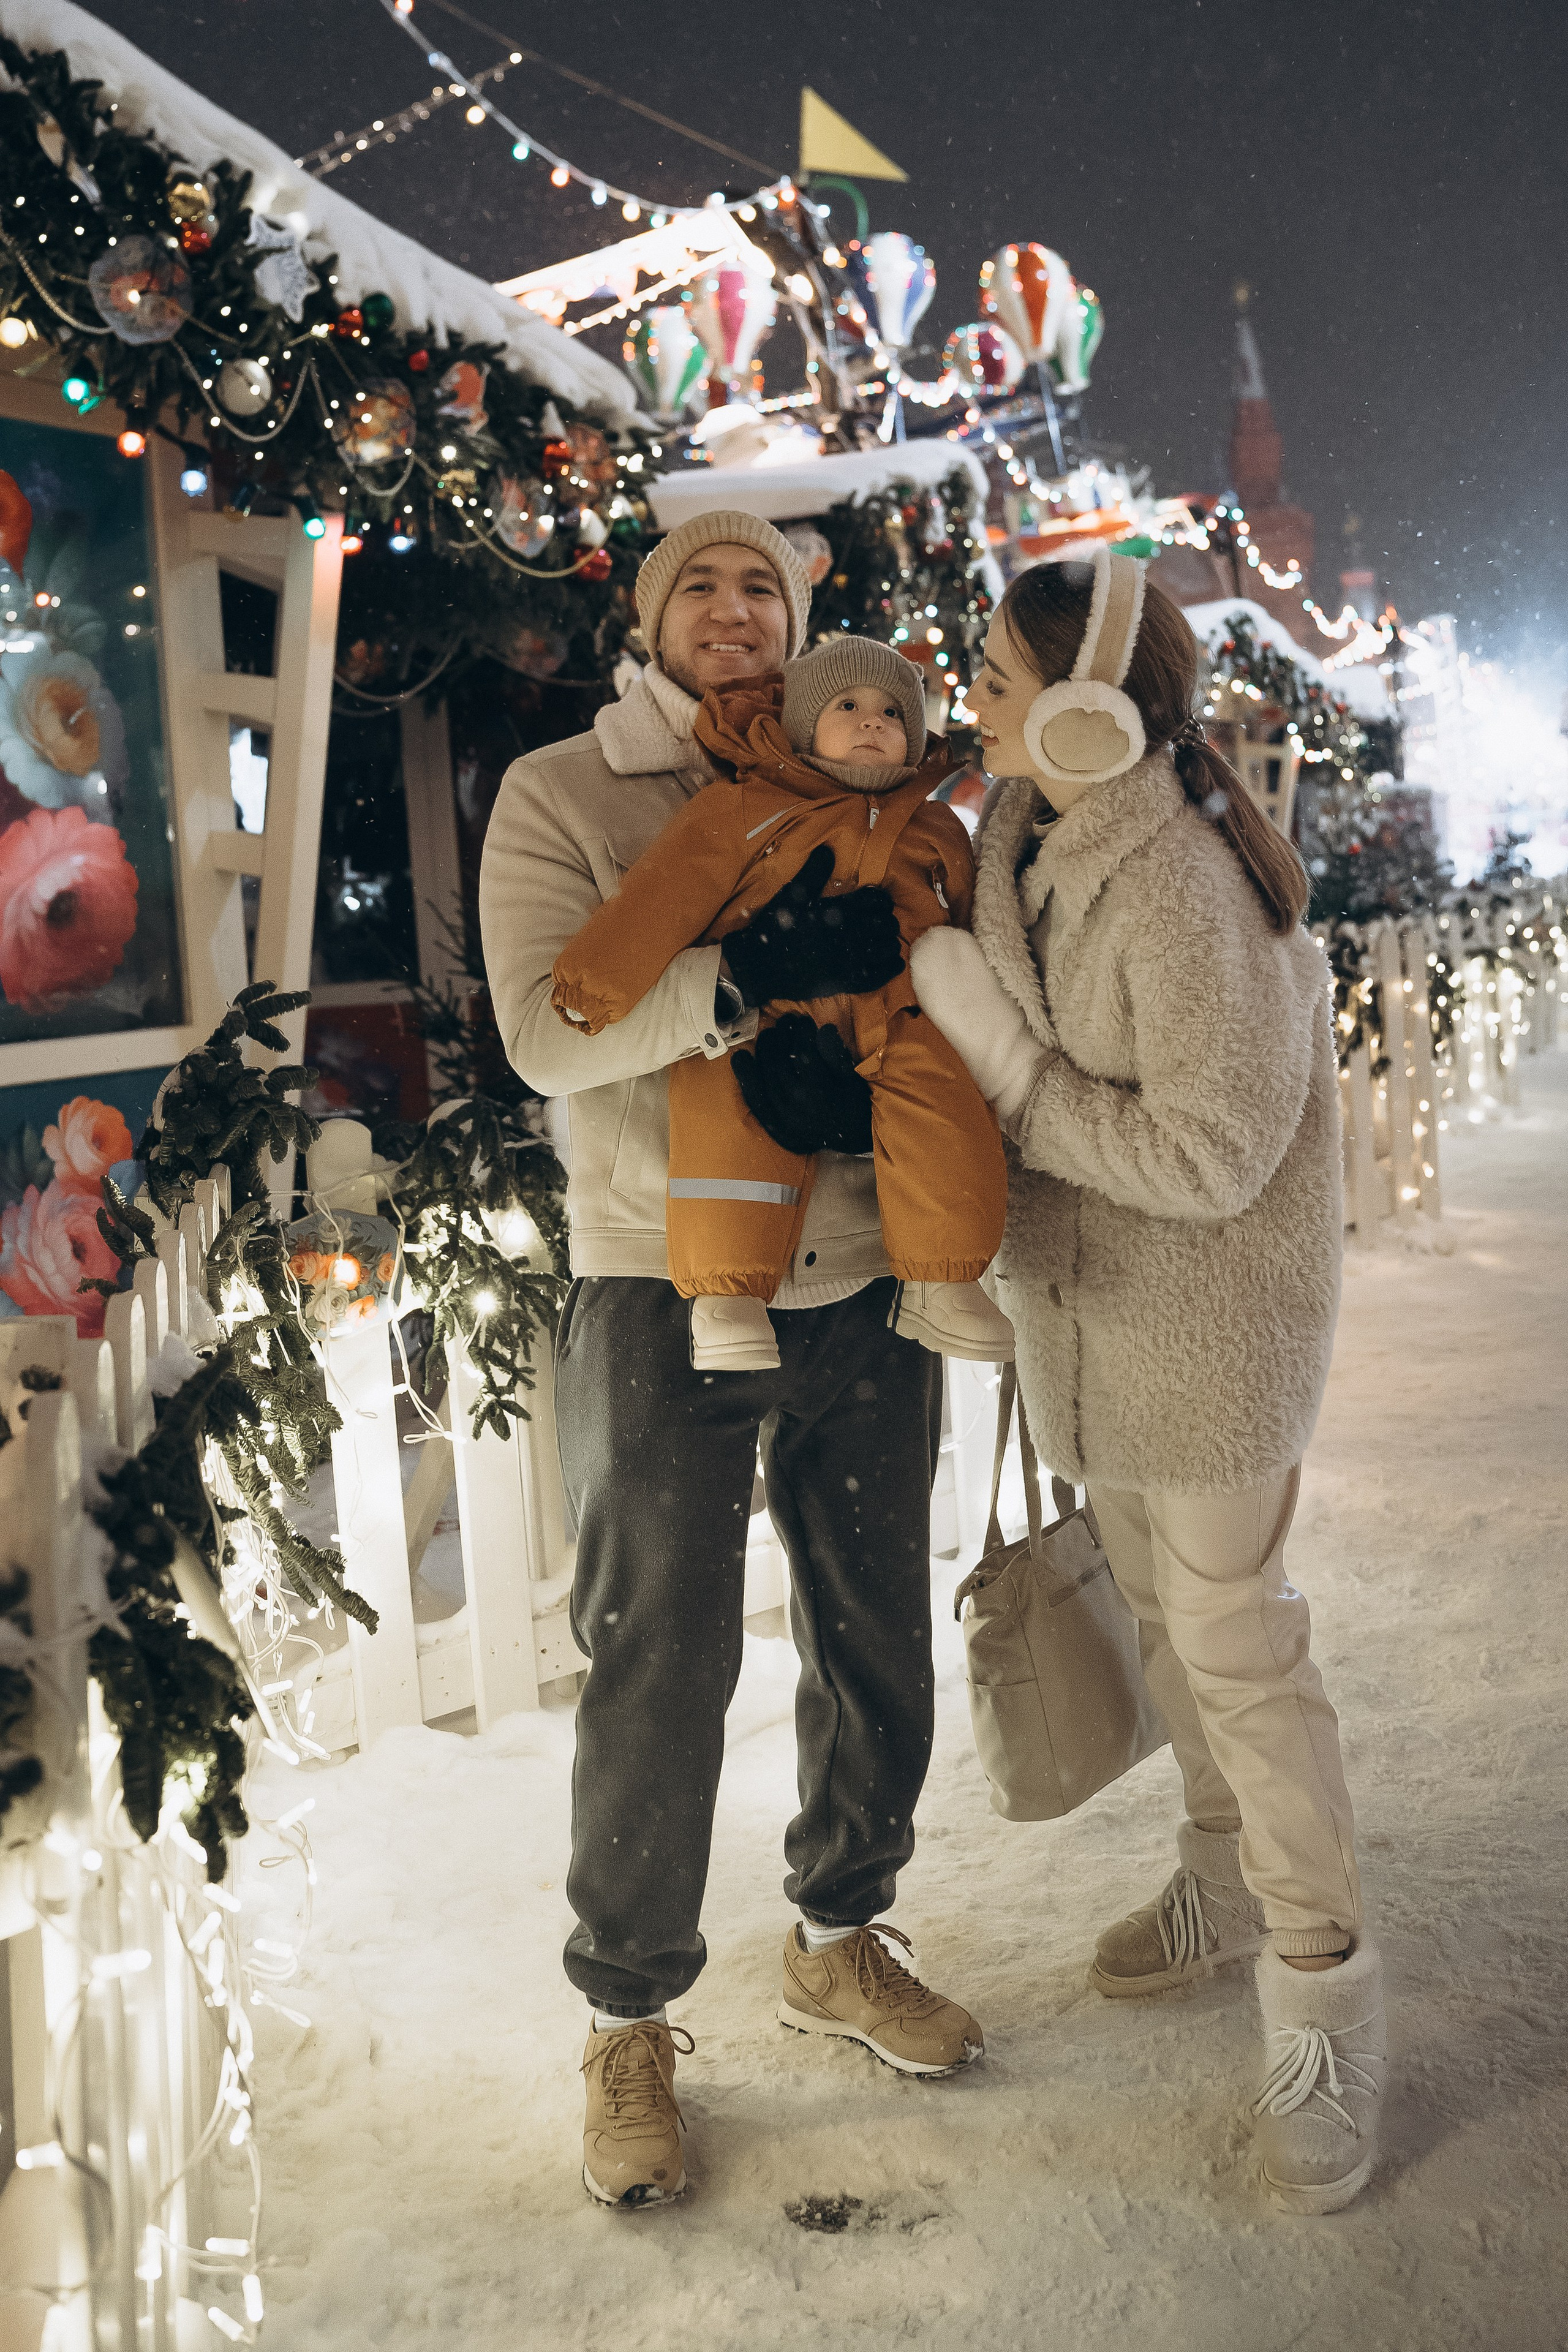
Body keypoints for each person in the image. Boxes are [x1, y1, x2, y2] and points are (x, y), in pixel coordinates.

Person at [478, 512, 984, 2214]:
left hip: (860, 1276)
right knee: (660, 1653)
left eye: (762, 583)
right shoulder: (568, 791)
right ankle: (630, 2013)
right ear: (650, 618)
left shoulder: (878, 770)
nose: (733, 608)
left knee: (874, 1623)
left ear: (803, 616)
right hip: (655, 1275)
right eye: (698, 582)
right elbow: (547, 1033)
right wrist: (745, 980)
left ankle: (842, 1933)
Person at [909, 549, 1387, 2217]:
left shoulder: (1181, 885)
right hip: (1097, 1325)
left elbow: (1213, 1149)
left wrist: (1019, 1083)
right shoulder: (1029, 847)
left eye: (997, 671)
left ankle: (1321, 1980)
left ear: (1095, 709)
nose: (973, 693)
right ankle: (1218, 1875)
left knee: (1239, 1648)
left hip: (1214, 1329)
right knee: (1176, 1630)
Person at [548, 636, 1013, 1371]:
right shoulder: (745, 807)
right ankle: (727, 1294)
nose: (871, 721)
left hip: (899, 1013)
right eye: (847, 706)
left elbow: (973, 924)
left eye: (892, 711)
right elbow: (668, 892)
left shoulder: (939, 828)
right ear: (801, 724)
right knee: (729, 1119)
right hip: (768, 1012)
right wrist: (596, 979)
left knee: (946, 1117)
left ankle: (944, 1279)